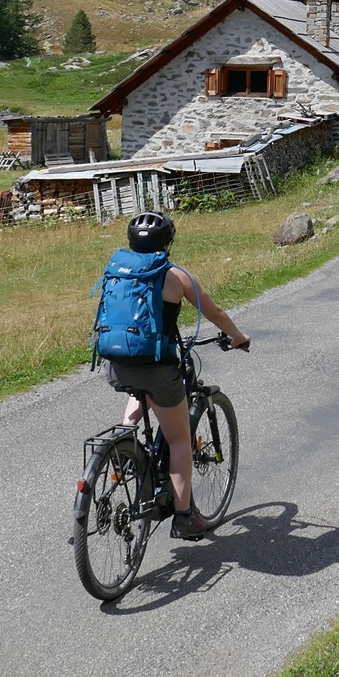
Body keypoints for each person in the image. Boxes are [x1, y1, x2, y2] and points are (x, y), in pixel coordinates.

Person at [102, 211, 250, 540]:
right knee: (180, 439)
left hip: (115, 364)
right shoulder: (175, 276)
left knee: (139, 388)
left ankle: (126, 440)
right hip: (157, 368)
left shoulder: (117, 271)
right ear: (167, 243)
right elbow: (215, 312)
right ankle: (184, 517)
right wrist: (239, 337)